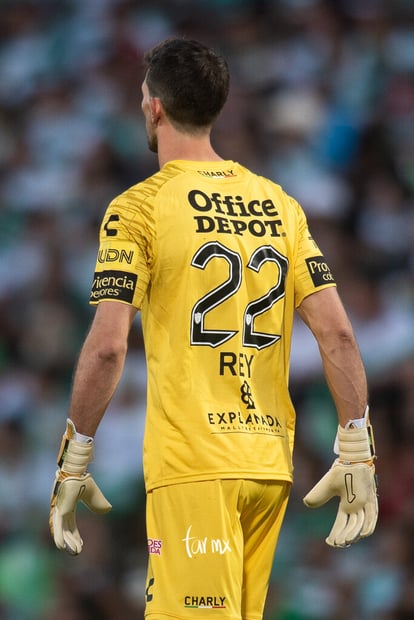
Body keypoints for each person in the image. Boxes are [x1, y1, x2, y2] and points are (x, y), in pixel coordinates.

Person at [49, 37, 378, 620]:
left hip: (194, 464)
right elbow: (339, 335)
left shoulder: (138, 208)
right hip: (269, 464)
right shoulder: (279, 203)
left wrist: (74, 455)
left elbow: (106, 349)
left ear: (154, 108)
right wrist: (357, 448)